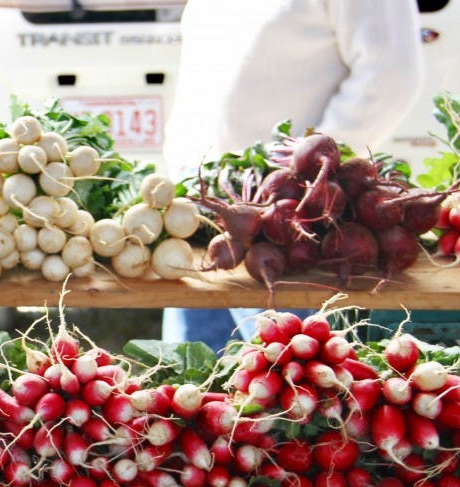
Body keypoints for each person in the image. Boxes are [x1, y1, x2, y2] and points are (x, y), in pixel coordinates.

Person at [161, 0, 426, 350]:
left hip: (286, 226)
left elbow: (391, 75)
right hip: (201, 212)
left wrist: (311, 182)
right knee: (189, 381)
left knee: (286, 380)